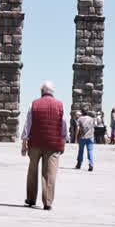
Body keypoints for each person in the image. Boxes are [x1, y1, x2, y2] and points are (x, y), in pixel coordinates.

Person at [21, 81, 67, 210]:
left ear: (42, 91)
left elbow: (28, 124)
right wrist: (63, 142)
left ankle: (31, 199)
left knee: (32, 171)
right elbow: (64, 125)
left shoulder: (34, 104)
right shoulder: (60, 105)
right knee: (50, 174)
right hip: (53, 144)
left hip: (35, 143)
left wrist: (24, 142)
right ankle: (47, 202)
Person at [75, 107, 96, 171]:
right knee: (90, 151)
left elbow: (78, 128)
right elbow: (94, 126)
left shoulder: (79, 119)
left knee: (80, 151)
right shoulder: (91, 119)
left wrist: (76, 137)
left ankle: (79, 164)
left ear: (81, 112)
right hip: (90, 137)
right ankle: (91, 164)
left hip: (82, 137)